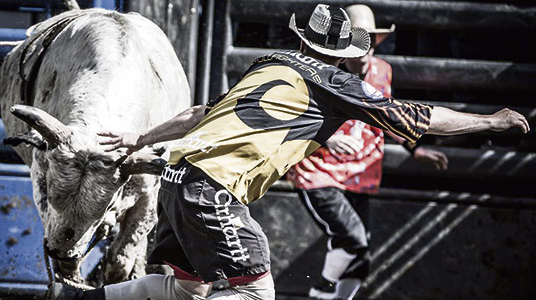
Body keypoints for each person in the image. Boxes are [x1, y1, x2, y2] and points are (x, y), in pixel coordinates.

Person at [47, 4, 529, 300]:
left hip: (174, 177)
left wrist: (142, 138)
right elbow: (417, 117)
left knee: (186, 290)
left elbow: (199, 112)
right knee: (255, 291)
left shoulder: (270, 63)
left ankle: (74, 298)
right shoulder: (336, 82)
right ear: (343, 54)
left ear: (303, 39)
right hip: (211, 190)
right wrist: (489, 120)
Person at [284, 5, 447, 300]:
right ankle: (319, 294)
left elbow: (389, 117)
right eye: (356, 42)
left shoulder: (383, 71)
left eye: (368, 41)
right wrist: (328, 139)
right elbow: (294, 117)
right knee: (352, 240)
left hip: (361, 173)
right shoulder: (324, 72)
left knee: (360, 260)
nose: (361, 51)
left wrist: (416, 148)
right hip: (320, 173)